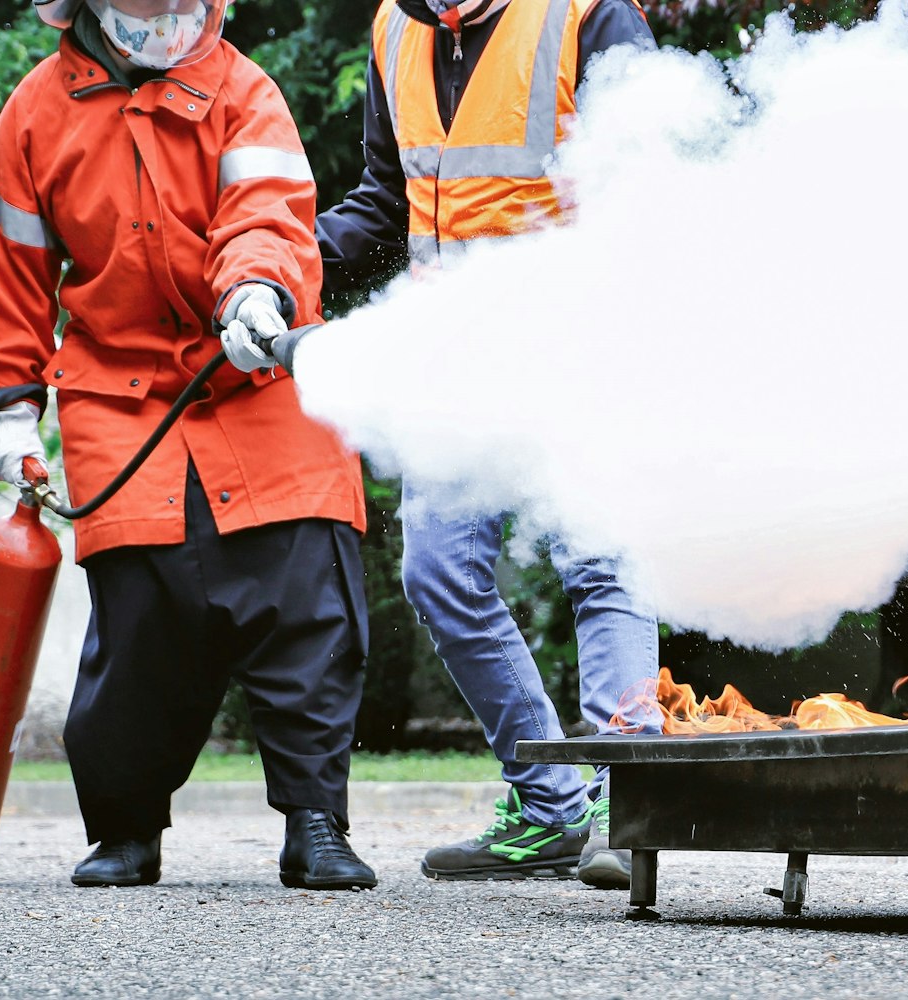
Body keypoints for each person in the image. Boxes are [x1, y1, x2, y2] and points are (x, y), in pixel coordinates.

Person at [0, 0, 377, 890]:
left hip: (257, 377)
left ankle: (316, 824)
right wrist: (4, 402)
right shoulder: (34, 114)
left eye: (186, 4)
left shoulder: (242, 88)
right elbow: (4, 265)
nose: (172, 24)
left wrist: (258, 290)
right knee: (142, 618)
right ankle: (125, 831)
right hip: (119, 395)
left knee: (304, 593)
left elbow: (268, 211)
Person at [308, 0, 663, 888]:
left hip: (582, 344)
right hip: (457, 356)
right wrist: (282, 267)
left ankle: (631, 808)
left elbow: (656, 181)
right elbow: (385, 200)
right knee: (436, 569)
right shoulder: (395, 29)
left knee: (602, 564)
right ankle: (550, 807)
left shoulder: (589, 15)